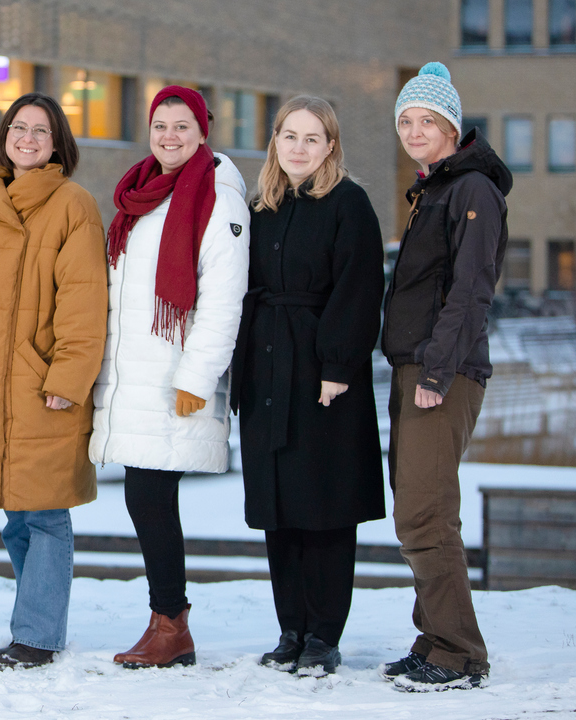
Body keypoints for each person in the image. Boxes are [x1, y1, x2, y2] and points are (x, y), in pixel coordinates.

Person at [89, 86, 250, 669]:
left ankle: (171, 625)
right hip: (135, 373)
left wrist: (197, 377)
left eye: (183, 126)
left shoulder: (217, 196)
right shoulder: (140, 193)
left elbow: (224, 297)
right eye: (161, 125)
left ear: (203, 132)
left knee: (150, 497)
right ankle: (167, 622)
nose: (170, 136)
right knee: (146, 497)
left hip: (174, 377)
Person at [234, 96, 385, 677]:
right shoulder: (262, 207)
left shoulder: (349, 203)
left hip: (321, 371)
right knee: (279, 506)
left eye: (312, 138)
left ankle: (323, 634)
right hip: (267, 368)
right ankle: (290, 629)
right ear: (275, 141)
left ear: (330, 146)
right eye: (289, 136)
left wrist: (337, 367)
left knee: (323, 504)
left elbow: (359, 287)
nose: (298, 148)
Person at [0, 93, 108, 670]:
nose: (27, 138)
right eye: (18, 127)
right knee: (15, 516)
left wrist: (67, 376)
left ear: (56, 143)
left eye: (40, 130)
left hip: (45, 385)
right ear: (4, 137)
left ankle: (37, 636)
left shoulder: (74, 205)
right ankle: (34, 621)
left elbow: (84, 301)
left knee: (46, 513)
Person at [381, 62, 511, 692]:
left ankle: (459, 653)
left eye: (426, 121)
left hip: (444, 371)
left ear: (452, 127)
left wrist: (435, 371)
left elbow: (471, 290)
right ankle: (434, 639)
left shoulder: (472, 190)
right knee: (416, 510)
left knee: (426, 513)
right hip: (418, 367)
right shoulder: (435, 188)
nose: (414, 131)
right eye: (405, 121)